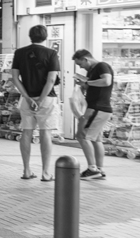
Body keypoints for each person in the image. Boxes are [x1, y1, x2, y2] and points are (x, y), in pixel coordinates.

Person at [9, 26, 61, 181]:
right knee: (46, 133)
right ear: (45, 37)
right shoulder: (51, 53)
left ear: (29, 36)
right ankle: (45, 173)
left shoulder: (19, 53)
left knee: (27, 131)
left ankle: (26, 170)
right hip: (46, 99)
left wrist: (27, 97)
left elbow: (15, 78)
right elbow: (51, 80)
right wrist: (40, 98)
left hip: (27, 99)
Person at [71, 49, 113, 179]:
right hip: (101, 108)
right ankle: (99, 169)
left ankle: (92, 169)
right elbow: (96, 86)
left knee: (82, 136)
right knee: (96, 139)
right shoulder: (92, 71)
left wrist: (87, 82)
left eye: (80, 64)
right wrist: (83, 84)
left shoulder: (102, 66)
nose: (81, 67)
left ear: (86, 59)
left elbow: (107, 81)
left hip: (97, 108)